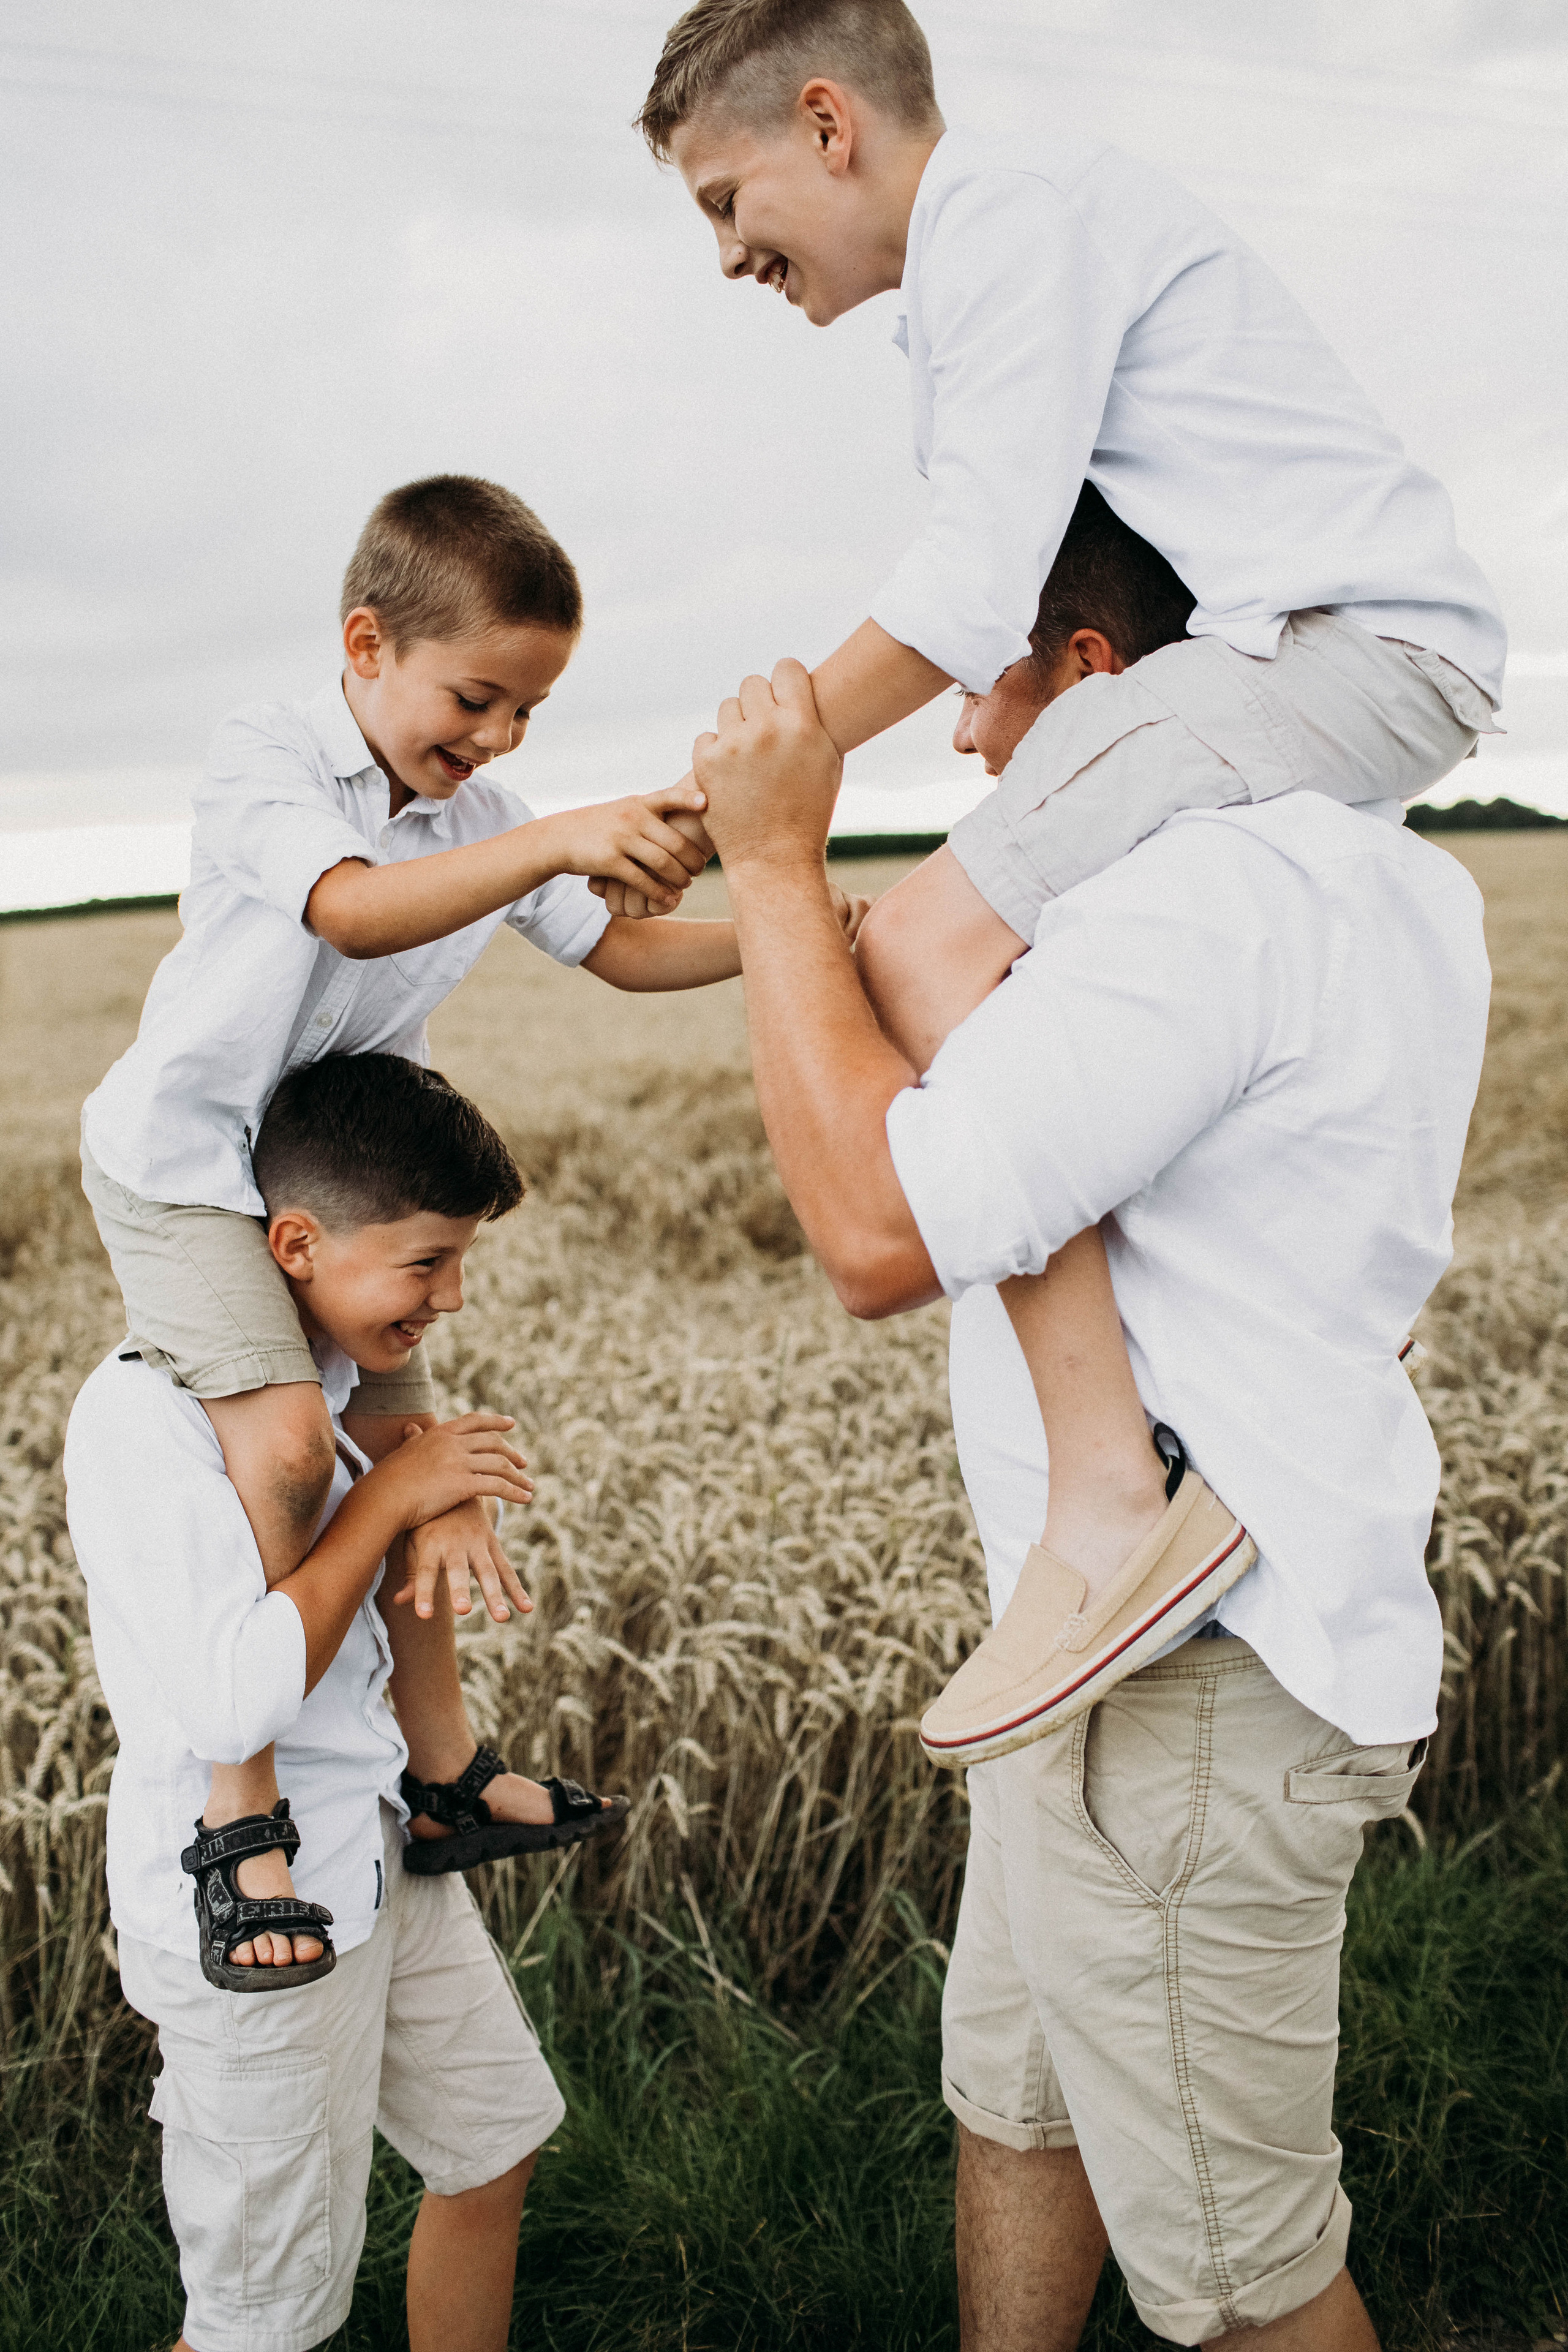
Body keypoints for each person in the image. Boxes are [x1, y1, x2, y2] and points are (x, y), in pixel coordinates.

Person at [630, 0, 1505, 1752]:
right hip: (1314, 651)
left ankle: (1108, 1488)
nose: (726, 254)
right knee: (985, 950)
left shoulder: (1011, 215)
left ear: (828, 124)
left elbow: (974, 594)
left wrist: (744, 789)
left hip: (1341, 646)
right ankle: (1154, 1420)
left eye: (729, 202)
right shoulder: (981, 274)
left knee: (936, 944)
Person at [687, 658, 1489, 2349]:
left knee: (1242, 2279)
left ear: (1102, 680)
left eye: (985, 690)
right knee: (1022, 2094)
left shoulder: (1187, 900)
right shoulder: (1389, 873)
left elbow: (873, 1234)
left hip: (1187, 1678)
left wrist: (770, 865)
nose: (966, 739)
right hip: (1100, 1647)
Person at [80, 469, 869, 1976]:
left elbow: (621, 953)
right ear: (365, 644)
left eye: (528, 714)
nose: (499, 742)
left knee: (425, 1476)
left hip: (348, 1186)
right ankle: (234, 1823)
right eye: (476, 699)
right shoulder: (271, 762)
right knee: (297, 1450)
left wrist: (790, 930)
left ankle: (438, 1780)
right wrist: (554, 834)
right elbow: (355, 912)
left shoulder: (483, 810)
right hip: (194, 1168)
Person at [66, 1054, 568, 2352]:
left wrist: (420, 1498)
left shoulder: (341, 1397)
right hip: (253, 1922)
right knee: (260, 2322)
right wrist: (392, 1504)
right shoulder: (144, 1420)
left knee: (495, 2145)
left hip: (383, 1852)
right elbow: (235, 1703)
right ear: (293, 1242)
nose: (452, 1298)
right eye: (425, 1263)